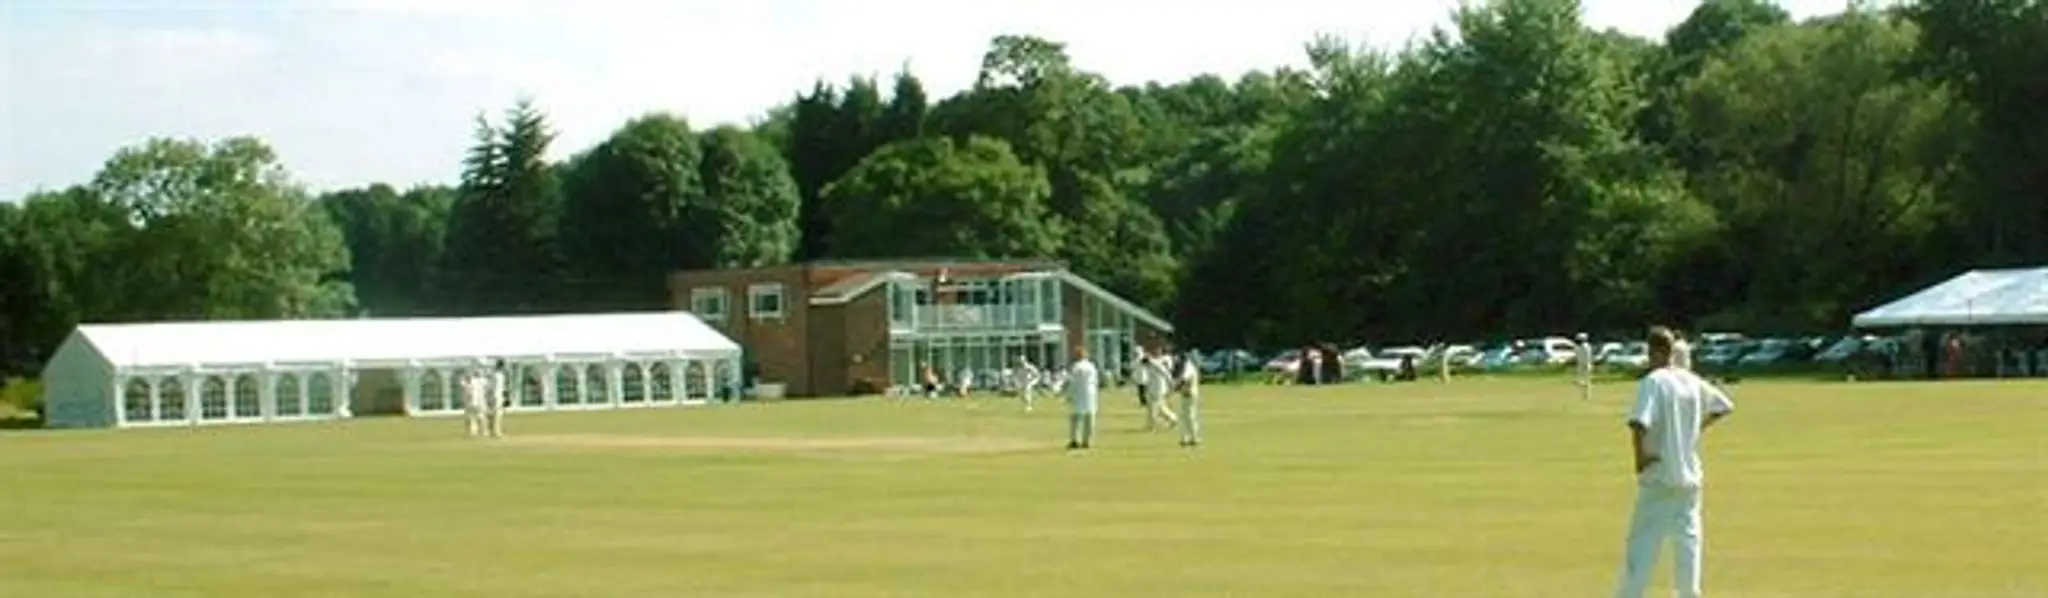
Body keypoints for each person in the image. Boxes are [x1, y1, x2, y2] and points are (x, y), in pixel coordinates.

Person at [1611, 326, 1736, 598]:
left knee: (1643, 541)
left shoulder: (1654, 381)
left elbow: (1638, 423)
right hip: (1689, 474)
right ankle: (1689, 593)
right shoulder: (1690, 380)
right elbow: (1723, 406)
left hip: (1659, 474)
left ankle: (1630, 594)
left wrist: (1641, 458)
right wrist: (1693, 430)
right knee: (1688, 540)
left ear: (1653, 351)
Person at [1064, 347, 1100, 450]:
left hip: (1079, 392)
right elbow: (1096, 380)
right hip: (1091, 392)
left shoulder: (1076, 366)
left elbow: (1072, 381)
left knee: (1076, 418)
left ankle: (1075, 440)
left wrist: (1068, 395)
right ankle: (1087, 441)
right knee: (1090, 417)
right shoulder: (1091, 366)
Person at [1140, 346, 1179, 431]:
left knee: (1158, 407)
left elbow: (1166, 373)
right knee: (1152, 406)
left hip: (1159, 388)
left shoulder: (1156, 364)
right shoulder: (1149, 364)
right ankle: (1151, 425)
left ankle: (1173, 419)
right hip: (1152, 387)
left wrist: (1171, 383)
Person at [1171, 347, 1203, 447]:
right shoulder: (1185, 366)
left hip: (1189, 393)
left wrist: (1176, 388)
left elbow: (1184, 379)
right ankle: (1186, 437)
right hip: (1185, 393)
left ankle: (1194, 437)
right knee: (1184, 416)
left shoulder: (1189, 367)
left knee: (1189, 416)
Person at [1577, 333, 1595, 400]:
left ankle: (1587, 395)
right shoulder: (1578, 347)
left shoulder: (1587, 347)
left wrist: (1588, 364)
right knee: (1581, 381)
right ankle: (1584, 394)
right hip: (1580, 365)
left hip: (1586, 364)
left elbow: (1588, 356)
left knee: (1587, 380)